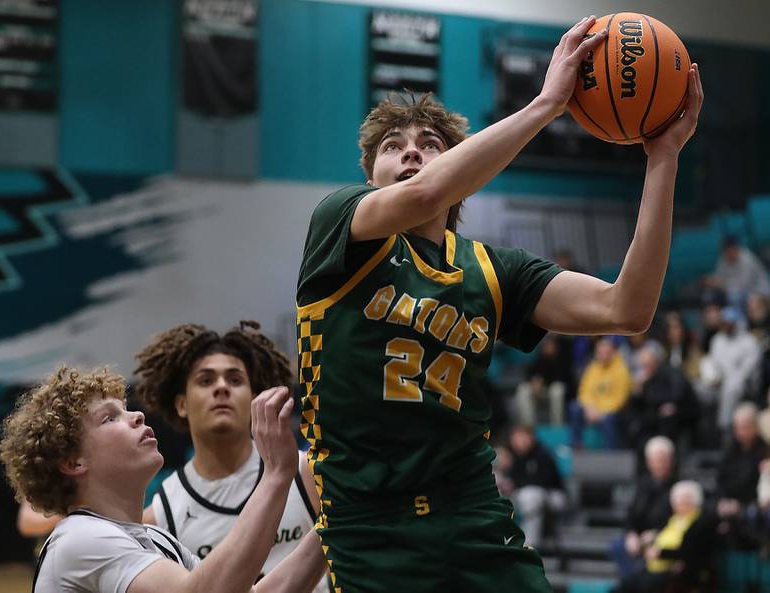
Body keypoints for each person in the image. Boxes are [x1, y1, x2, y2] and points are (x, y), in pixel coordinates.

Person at [295, 14, 703, 592]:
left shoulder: (493, 270)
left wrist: (663, 158)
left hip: (472, 514)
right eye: (393, 147)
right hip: (368, 521)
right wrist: (546, 105)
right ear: (370, 173)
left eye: (430, 145)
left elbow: (626, 309)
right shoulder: (340, 223)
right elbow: (427, 193)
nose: (411, 154)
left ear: (462, 167)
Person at [0, 367, 326, 593]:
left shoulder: (156, 539)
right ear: (73, 461)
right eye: (110, 417)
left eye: (125, 409)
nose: (137, 415)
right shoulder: (79, 539)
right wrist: (278, 474)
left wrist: (338, 521)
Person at [134, 322, 329, 591]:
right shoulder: (160, 518)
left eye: (235, 380)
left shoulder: (307, 472)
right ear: (181, 404)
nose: (222, 387)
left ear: (254, 397)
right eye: (206, 380)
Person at [615, 481, 716, 593]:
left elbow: (690, 552)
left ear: (695, 502)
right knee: (625, 584)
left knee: (648, 585)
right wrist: (651, 540)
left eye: (685, 502)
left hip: (681, 570)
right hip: (655, 567)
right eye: (677, 502)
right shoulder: (673, 520)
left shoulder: (701, 523)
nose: (680, 506)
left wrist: (661, 553)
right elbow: (660, 535)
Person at [609, 436, 675, 577]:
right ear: (648, 462)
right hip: (640, 538)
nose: (660, 464)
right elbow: (631, 515)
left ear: (671, 461)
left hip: (663, 538)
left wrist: (656, 534)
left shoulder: (677, 488)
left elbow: (679, 520)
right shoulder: (643, 486)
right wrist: (631, 534)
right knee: (618, 546)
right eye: (656, 460)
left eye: (663, 460)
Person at [498, 425, 566, 548]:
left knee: (530, 496)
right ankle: (501, 542)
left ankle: (529, 546)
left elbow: (540, 482)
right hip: (524, 494)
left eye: (524, 436)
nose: (520, 440)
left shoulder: (542, 453)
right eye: (517, 437)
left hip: (554, 495)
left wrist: (513, 485)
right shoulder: (511, 454)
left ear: (531, 437)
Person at [716, 402, 769, 549]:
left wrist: (740, 505)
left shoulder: (765, 450)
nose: (740, 432)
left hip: (753, 503)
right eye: (737, 427)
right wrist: (723, 501)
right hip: (730, 502)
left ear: (756, 427)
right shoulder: (730, 448)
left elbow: (760, 486)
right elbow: (721, 479)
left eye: (745, 427)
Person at [569, 337, 631, 448]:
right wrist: (589, 407)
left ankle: (609, 453)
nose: (602, 354)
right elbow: (583, 391)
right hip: (592, 409)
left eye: (605, 351)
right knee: (575, 408)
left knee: (610, 419)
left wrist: (600, 411)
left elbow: (620, 399)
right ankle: (577, 445)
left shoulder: (621, 370)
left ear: (613, 351)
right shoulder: (593, 367)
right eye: (600, 351)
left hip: (609, 411)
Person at [514, 333, 573, 425]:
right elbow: (530, 373)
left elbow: (564, 378)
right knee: (523, 389)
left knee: (557, 390)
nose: (547, 347)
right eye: (545, 345)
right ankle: (529, 426)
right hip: (539, 390)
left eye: (550, 345)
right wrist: (533, 382)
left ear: (556, 346)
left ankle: (556, 426)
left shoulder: (563, 358)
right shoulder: (539, 358)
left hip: (553, 390)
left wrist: (543, 382)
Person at [703, 235, 770, 308]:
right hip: (738, 294)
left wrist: (721, 285)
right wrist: (712, 281)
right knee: (709, 296)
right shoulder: (723, 259)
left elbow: (742, 286)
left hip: (759, 292)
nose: (728, 253)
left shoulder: (747, 259)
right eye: (726, 250)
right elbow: (719, 277)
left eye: (731, 249)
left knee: (734, 297)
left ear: (736, 248)